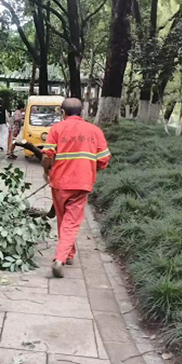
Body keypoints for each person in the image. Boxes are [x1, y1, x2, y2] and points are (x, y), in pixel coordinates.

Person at [41, 98, 111, 278]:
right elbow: (104, 159)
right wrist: (90, 167)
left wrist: (46, 171)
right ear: (82, 112)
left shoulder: (57, 129)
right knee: (71, 222)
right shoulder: (94, 131)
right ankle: (65, 256)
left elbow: (47, 155)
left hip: (60, 182)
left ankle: (61, 257)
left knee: (63, 219)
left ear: (62, 113)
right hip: (82, 183)